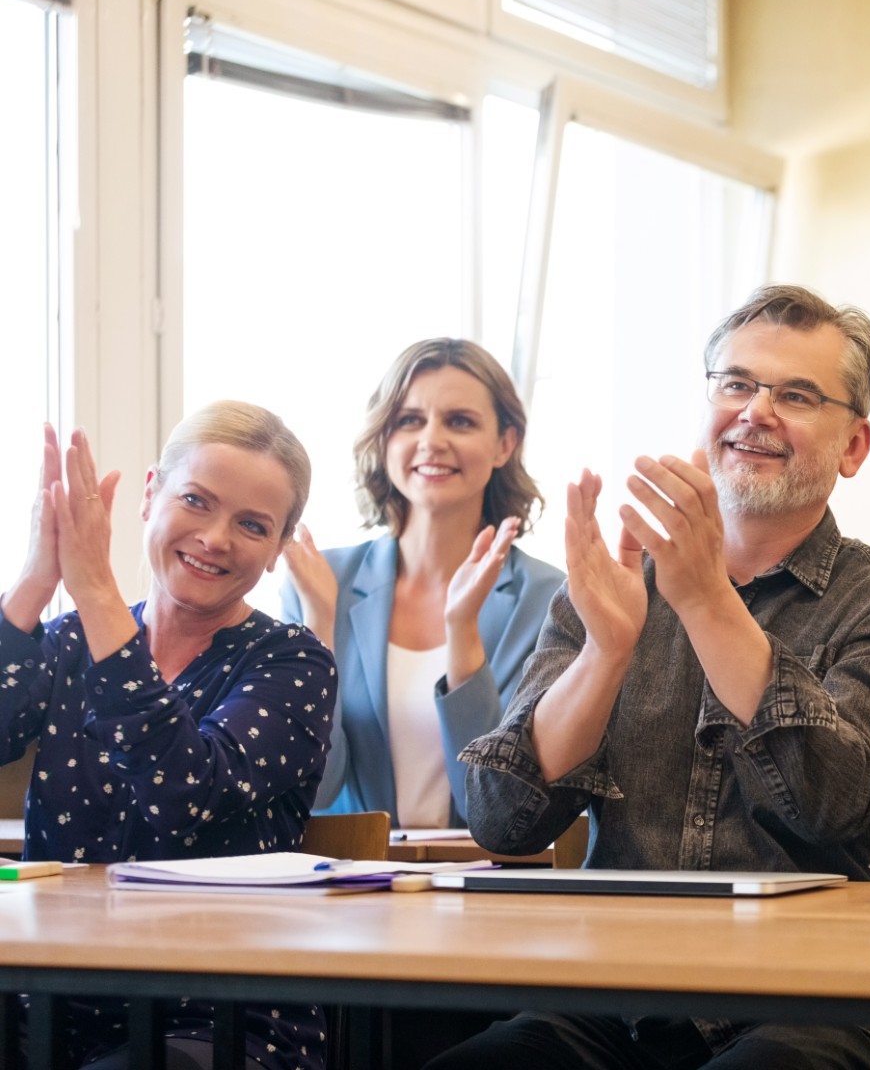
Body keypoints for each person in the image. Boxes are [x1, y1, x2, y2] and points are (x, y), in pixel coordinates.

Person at [426, 285, 870, 1070]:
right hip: (613, 1002)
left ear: (854, 447)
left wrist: (706, 601)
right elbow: (504, 823)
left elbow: (829, 802)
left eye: (797, 395)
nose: (756, 410)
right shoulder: (612, 591)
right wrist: (605, 654)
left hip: (819, 1007)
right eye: (736, 383)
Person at [0, 405, 336, 1070]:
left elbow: (182, 791)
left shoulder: (292, 661)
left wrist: (92, 586)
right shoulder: (68, 639)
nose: (215, 538)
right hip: (49, 1003)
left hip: (218, 1019)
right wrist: (40, 577)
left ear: (277, 551)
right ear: (150, 494)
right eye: (195, 501)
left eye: (252, 525)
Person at [281, 338, 563, 829]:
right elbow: (316, 790)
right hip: (350, 884)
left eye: (460, 421)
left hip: (489, 885)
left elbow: (502, 802)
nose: (432, 440)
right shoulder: (319, 583)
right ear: (384, 439)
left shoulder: (547, 600)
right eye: (409, 420)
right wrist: (319, 627)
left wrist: (462, 629)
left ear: (505, 444)